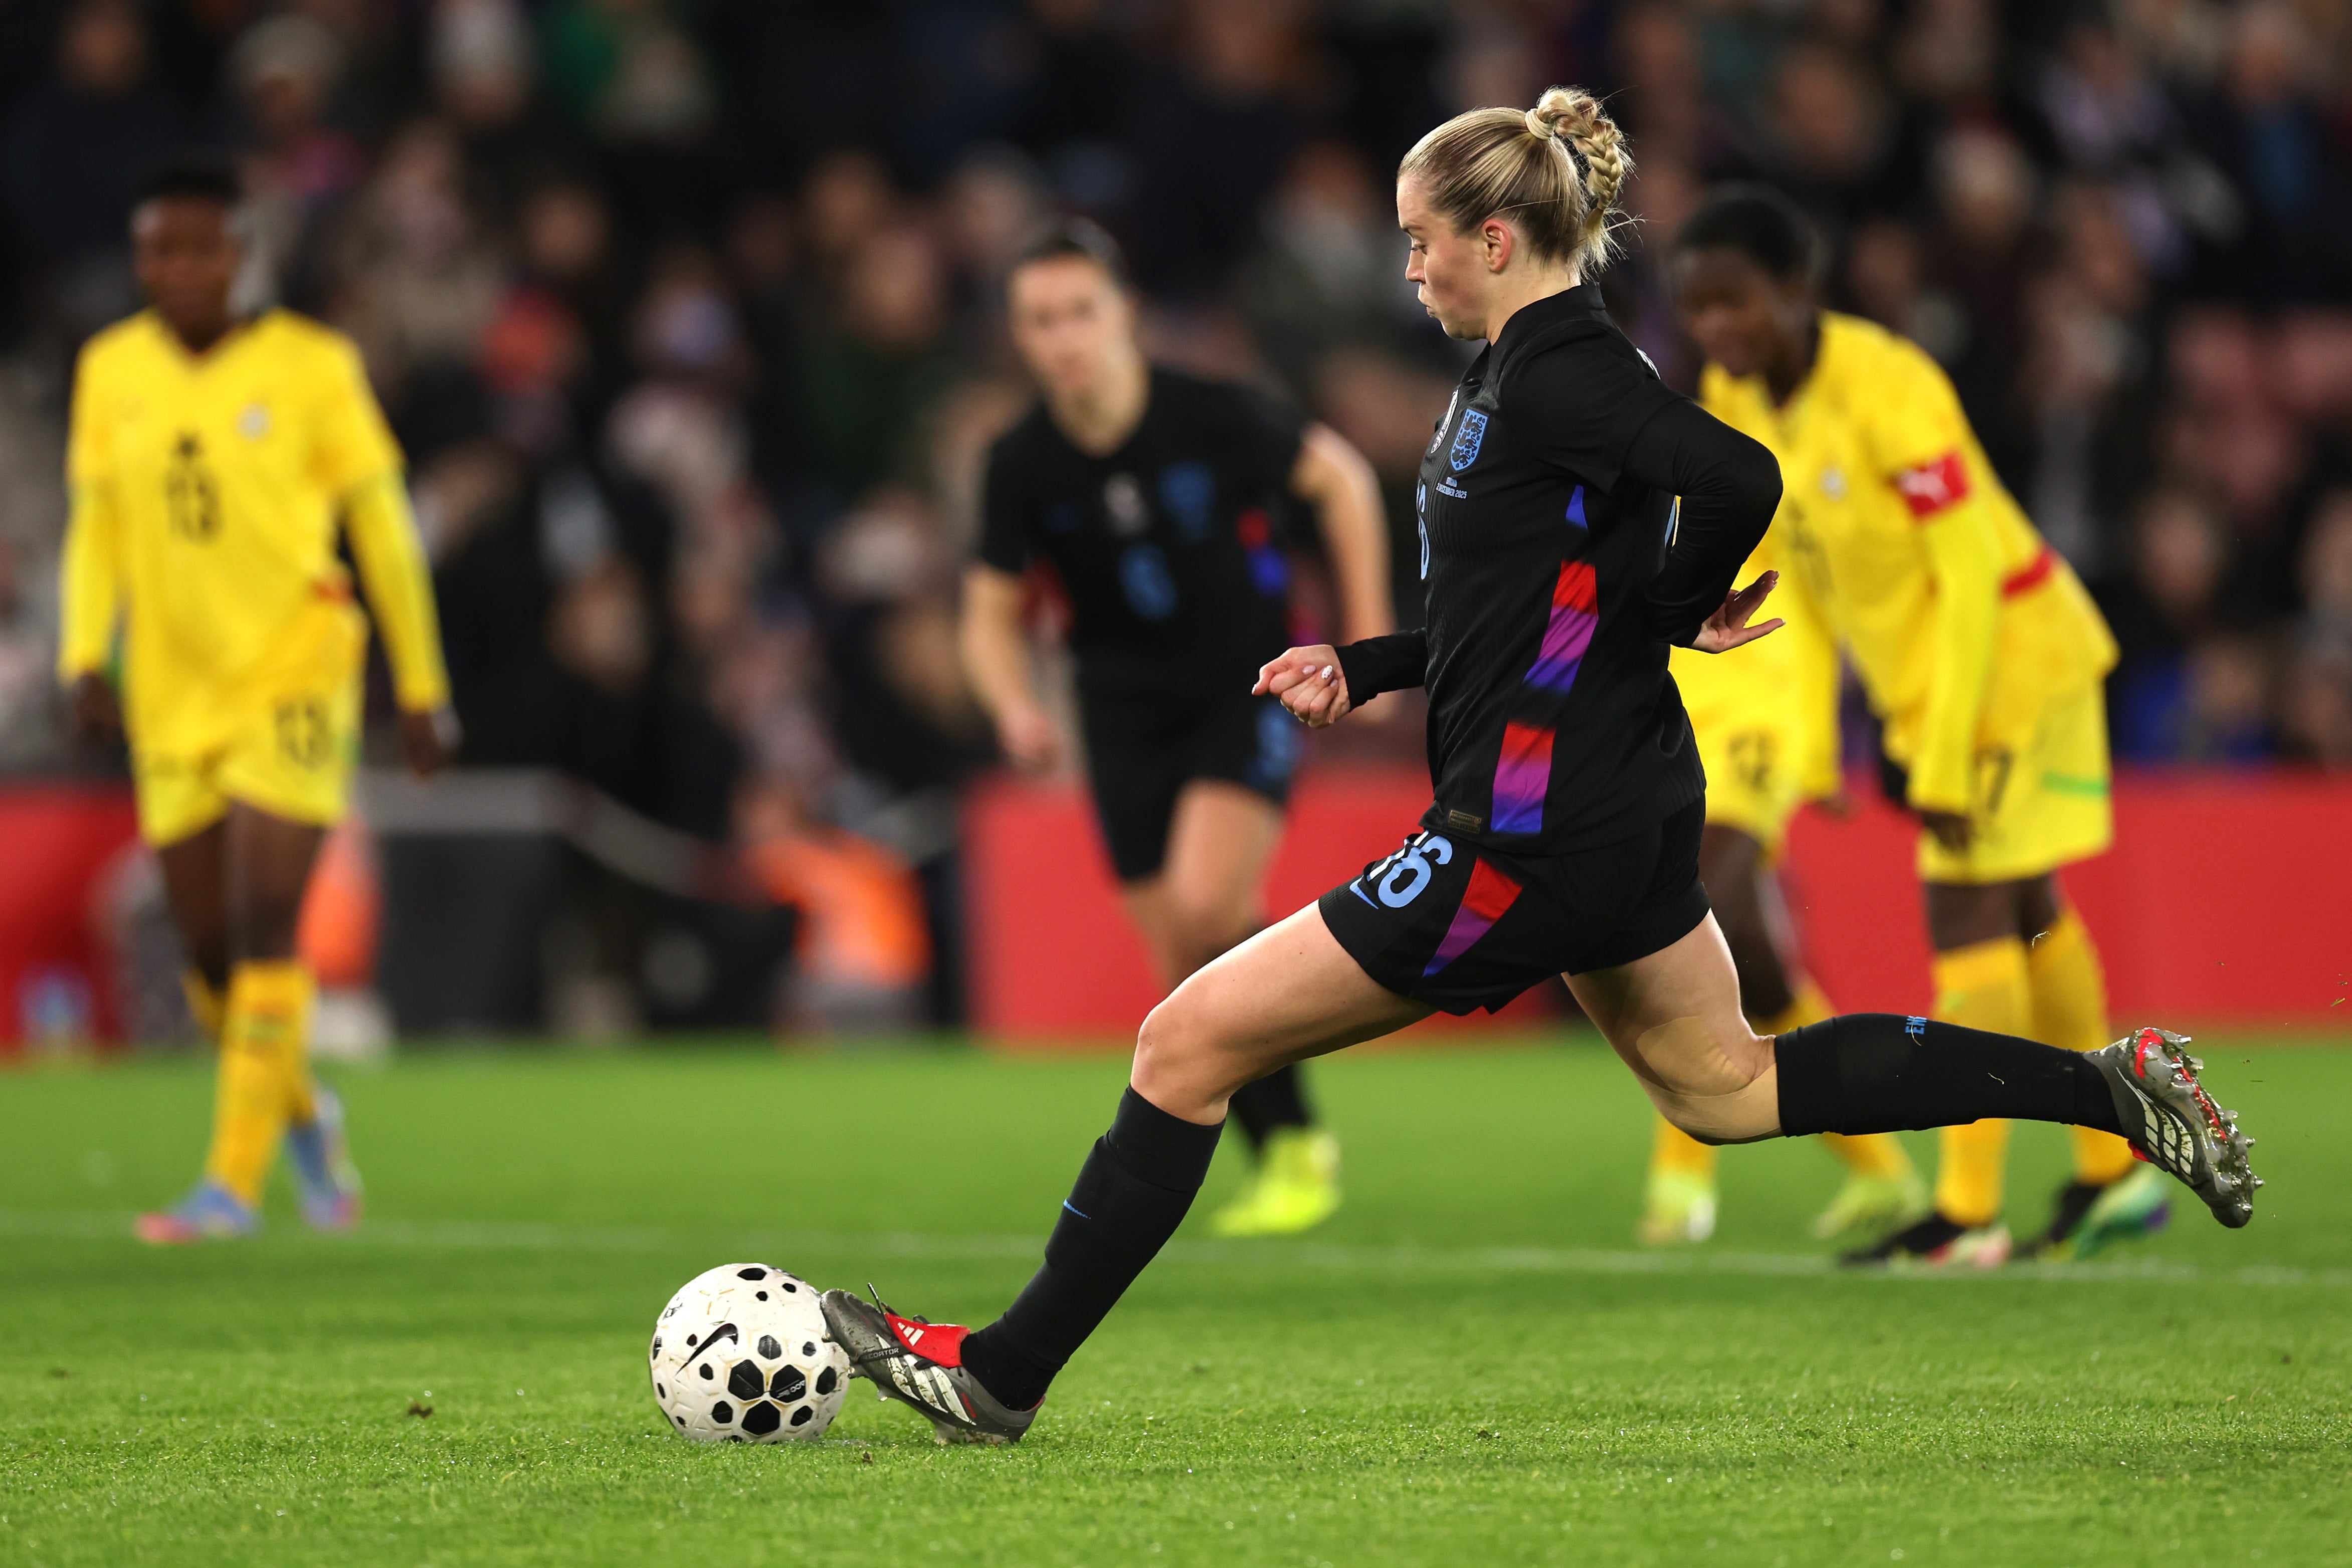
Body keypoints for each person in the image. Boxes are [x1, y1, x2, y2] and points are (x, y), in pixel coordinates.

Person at [819, 90, 2256, 1445]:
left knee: (1182, 1045)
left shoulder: (1562, 370)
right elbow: (1522, 607)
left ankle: (1000, 1375)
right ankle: (2109, 1091)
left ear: (1496, 240)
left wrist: (1674, 602)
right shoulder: (1527, 366)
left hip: (1526, 831)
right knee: (1724, 1088)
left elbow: (1739, 478)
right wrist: (1375, 664)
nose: (1409, 269)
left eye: (1420, 241)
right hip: (1613, 803)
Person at [1672, 185, 2167, 1266]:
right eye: (1697, 308)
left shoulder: (1889, 384)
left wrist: (1941, 753)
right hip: (1926, 687)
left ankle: (1970, 1211)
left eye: (1735, 301)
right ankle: (2117, 1173)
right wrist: (1817, 745)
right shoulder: (1733, 397)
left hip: (2012, 662)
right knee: (2028, 904)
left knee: (1966, 911)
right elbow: (1787, 580)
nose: (1716, 328)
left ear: (1794, 289)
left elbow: (1971, 570)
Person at [963, 218, 1394, 1237]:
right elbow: (986, 614)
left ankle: (1293, 1145)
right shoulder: (1020, 463)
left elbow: (1342, 481)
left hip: (1243, 686)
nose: (1064, 338)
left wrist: (1368, 638)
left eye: (1080, 312)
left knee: (1209, 904)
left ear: (1125, 315)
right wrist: (1014, 705)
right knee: (1189, 970)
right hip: (1118, 717)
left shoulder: (1211, 412)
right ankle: (1291, 1143)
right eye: (1041, 320)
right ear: (1019, 337)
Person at [57, 157, 455, 1243]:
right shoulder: (111, 368)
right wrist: (83, 654)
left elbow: (382, 525)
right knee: (208, 953)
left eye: (201, 249)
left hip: (295, 670)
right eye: (159, 250)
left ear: (241, 255)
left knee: (266, 917)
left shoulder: (313, 366)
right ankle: (306, 1116)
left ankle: (229, 1186)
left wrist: (423, 684)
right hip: (171, 688)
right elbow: (97, 525)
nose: (179, 269)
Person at [1640, 451, 1925, 1248]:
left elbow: (1836, 601)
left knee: (1689, 911)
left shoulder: (1795, 457)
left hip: (1762, 716)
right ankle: (1883, 1170)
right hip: (1681, 705)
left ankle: (1680, 1178)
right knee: (1761, 976)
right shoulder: (1652, 458)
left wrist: (1824, 752)